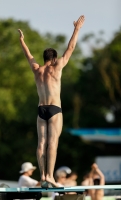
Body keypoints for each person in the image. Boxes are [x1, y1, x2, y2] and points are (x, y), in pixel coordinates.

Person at [18, 15, 85, 187]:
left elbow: (28, 55)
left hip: (41, 110)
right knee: (53, 143)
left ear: (44, 58)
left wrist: (22, 40)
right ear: (54, 58)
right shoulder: (57, 67)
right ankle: (50, 176)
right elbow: (71, 48)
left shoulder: (37, 70)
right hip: (55, 109)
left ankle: (43, 176)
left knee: (41, 143)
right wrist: (76, 29)